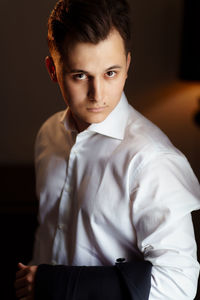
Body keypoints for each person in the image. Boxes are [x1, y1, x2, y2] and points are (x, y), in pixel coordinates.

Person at [15, 0, 200, 299]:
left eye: (110, 73)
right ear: (53, 70)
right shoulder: (48, 135)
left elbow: (178, 286)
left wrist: (57, 285)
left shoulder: (153, 160)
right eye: (80, 76)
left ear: (127, 66)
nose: (97, 94)